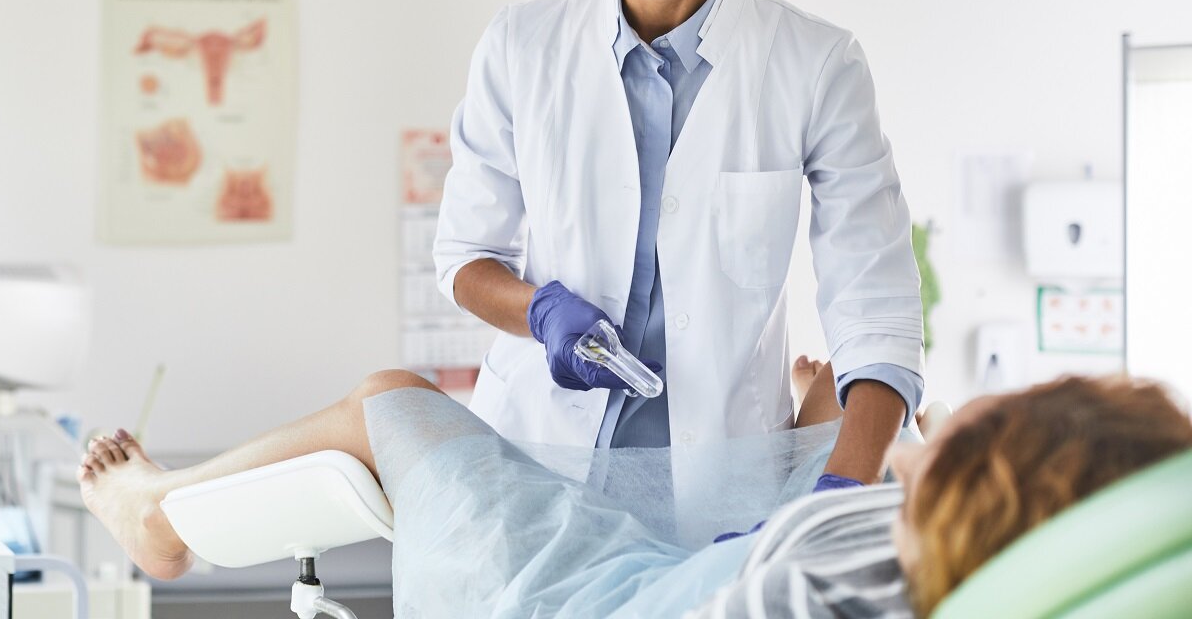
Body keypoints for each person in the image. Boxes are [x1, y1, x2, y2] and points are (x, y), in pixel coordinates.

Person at [432, 0, 923, 495]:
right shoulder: (522, 47)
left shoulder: (816, 64)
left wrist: (837, 496)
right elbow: (464, 257)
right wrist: (541, 312)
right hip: (539, 466)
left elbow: (877, 309)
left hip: (723, 483)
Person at [75, 370, 1192, 616]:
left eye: (938, 444)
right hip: (665, 569)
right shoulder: (928, 555)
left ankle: (158, 516)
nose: (916, 441)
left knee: (392, 401)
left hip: (565, 595)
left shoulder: (831, 576)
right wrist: (817, 437)